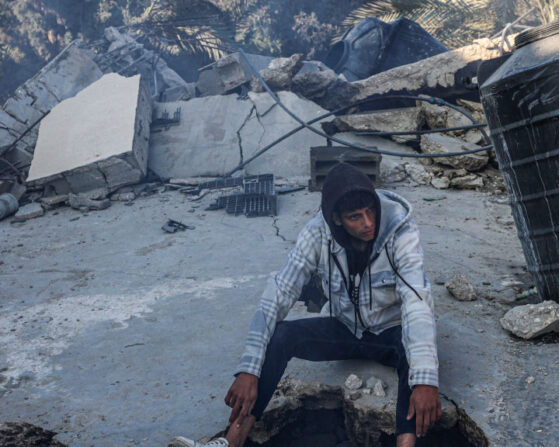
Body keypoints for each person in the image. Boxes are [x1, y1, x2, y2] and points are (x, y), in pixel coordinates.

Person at [170, 163, 440, 447]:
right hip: (345, 329)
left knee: (418, 361)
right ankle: (231, 442)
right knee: (282, 336)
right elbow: (278, 292)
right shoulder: (316, 233)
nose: (368, 223)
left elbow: (417, 302)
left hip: (391, 332)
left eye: (371, 211)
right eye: (355, 217)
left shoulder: (400, 229)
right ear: (336, 220)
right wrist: (249, 369)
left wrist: (425, 381)